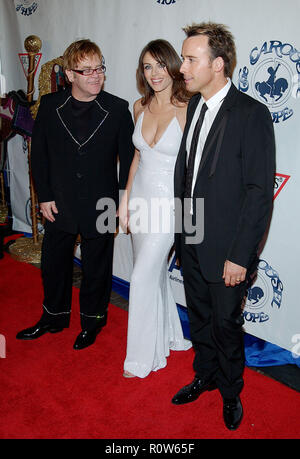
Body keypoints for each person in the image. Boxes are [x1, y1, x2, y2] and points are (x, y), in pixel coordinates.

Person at [172, 23, 275, 430]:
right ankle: (205, 374)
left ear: (217, 64)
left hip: (227, 250)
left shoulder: (251, 113)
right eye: (183, 58)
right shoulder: (195, 105)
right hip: (191, 239)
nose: (182, 67)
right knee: (198, 317)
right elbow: (190, 176)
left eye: (189, 59)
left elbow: (257, 193)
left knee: (226, 326)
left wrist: (239, 256)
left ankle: (231, 393)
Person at [16, 39, 134, 349]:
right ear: (70, 75)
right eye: (87, 71)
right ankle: (53, 317)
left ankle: (93, 322)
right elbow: (39, 155)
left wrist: (123, 200)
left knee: (98, 267)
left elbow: (129, 159)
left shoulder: (118, 108)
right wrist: (44, 195)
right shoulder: (51, 105)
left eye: (99, 69)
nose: (96, 76)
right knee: (54, 263)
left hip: (102, 201)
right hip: (60, 201)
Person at [118, 39, 192, 378]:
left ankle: (139, 358)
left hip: (170, 206)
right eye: (148, 67)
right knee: (155, 275)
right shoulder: (139, 106)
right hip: (139, 201)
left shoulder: (190, 107)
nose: (155, 73)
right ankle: (171, 336)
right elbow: (135, 159)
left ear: (173, 66)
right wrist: (123, 202)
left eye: (160, 65)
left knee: (141, 276)